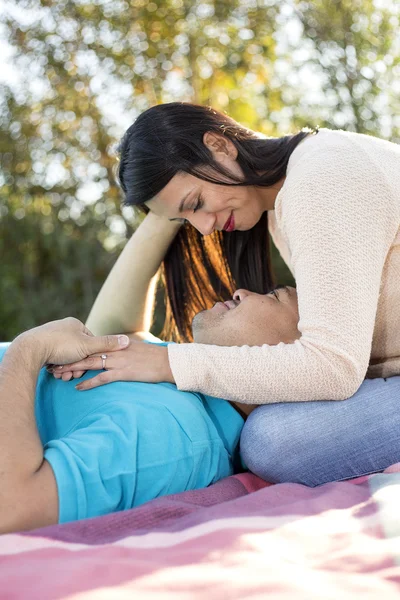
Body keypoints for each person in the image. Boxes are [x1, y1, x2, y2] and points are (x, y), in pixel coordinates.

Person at [57, 101, 400, 484]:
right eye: (184, 219)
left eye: (196, 203)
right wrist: (163, 204)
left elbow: (332, 367)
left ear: (219, 145)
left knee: (276, 439)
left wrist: (169, 363)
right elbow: (110, 326)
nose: (203, 229)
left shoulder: (321, 179)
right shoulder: (286, 203)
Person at [0, 265, 300, 534]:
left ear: (300, 358)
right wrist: (161, 216)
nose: (241, 291)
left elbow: (11, 509)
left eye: (275, 296)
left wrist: (28, 349)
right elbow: (116, 324)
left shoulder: (173, 435)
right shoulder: (174, 374)